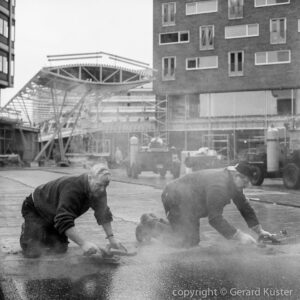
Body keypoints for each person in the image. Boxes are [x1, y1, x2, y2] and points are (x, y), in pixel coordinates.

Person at [136, 163, 274, 247]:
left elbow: (244, 206)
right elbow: (215, 219)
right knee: (184, 242)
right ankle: (148, 225)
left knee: (192, 240)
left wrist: (259, 231)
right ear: (237, 175)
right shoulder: (219, 186)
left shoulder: (233, 182)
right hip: (174, 199)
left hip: (190, 205)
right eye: (244, 183)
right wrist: (239, 236)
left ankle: (152, 220)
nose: (244, 186)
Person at [20, 164, 126, 258]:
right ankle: (28, 229)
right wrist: (83, 243)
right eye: (99, 185)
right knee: (33, 252)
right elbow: (64, 219)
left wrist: (111, 239)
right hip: (36, 209)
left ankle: (45, 231)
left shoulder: (98, 189)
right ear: (90, 178)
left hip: (54, 214)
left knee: (60, 249)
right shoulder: (73, 189)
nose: (103, 189)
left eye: (105, 186)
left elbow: (103, 213)